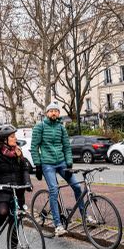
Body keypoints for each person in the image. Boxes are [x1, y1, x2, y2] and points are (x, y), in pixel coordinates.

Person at [30, 101, 89, 237]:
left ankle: (84, 216)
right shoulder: (40, 127)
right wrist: (38, 165)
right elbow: (34, 147)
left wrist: (69, 161)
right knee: (54, 190)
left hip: (61, 162)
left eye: (56, 111)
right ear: (47, 113)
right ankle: (58, 225)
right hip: (47, 163)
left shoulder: (61, 128)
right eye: (51, 111)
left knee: (77, 187)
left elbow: (67, 147)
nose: (54, 113)